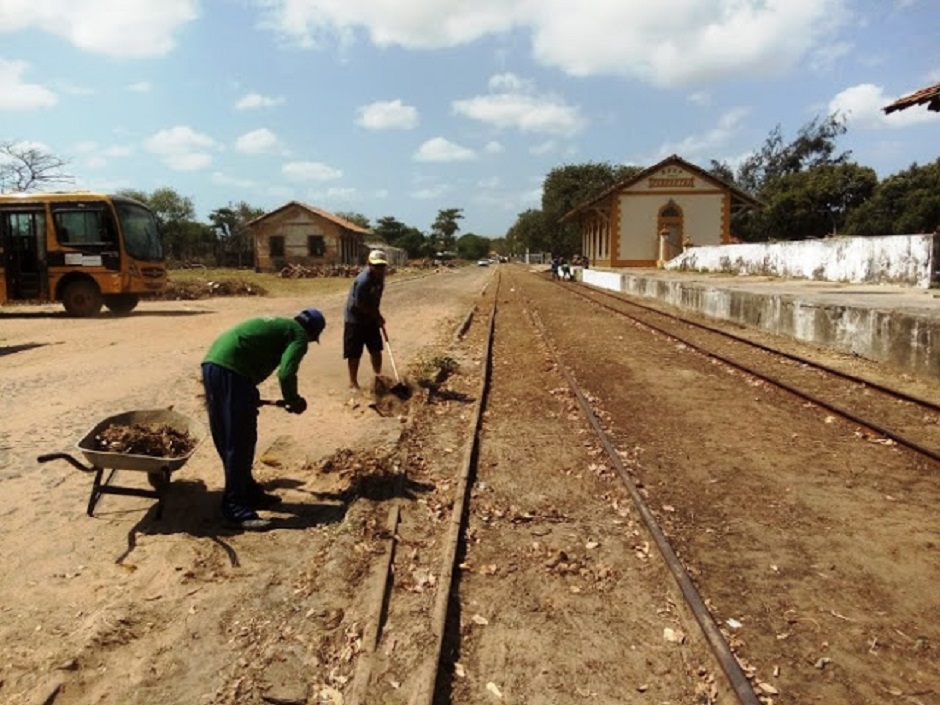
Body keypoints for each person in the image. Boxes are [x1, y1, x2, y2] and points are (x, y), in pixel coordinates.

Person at [201, 308, 326, 530]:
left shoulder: (282, 324)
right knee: (240, 439)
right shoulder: (298, 335)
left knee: (230, 434)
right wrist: (294, 400)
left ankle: (247, 490)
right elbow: (286, 373)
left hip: (214, 363)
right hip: (232, 371)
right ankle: (235, 507)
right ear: (312, 333)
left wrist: (248, 394)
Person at [344, 249, 388, 391]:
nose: (379, 269)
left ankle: (378, 377)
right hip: (354, 320)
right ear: (369, 264)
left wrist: (378, 315)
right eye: (376, 266)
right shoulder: (363, 281)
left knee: (376, 349)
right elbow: (360, 305)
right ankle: (353, 383)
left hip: (370, 319)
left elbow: (375, 300)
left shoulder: (380, 280)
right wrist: (376, 316)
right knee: (354, 353)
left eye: (382, 266)